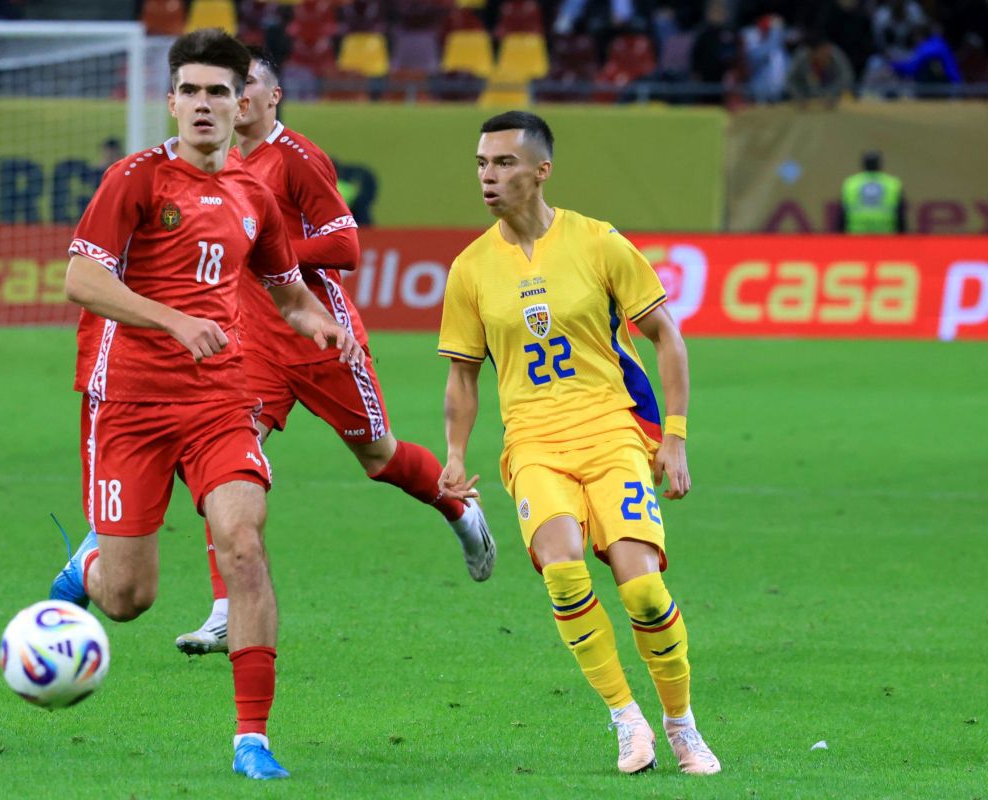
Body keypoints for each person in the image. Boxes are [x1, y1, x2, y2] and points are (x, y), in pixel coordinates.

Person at [48, 28, 363, 781]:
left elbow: (287, 290)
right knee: (129, 599)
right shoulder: (135, 178)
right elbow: (81, 280)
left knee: (243, 543)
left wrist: (318, 323)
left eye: (217, 91)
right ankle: (91, 564)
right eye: (188, 90)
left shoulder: (256, 193)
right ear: (170, 101)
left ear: (239, 102)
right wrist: (174, 321)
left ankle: (252, 739)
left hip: (220, 397)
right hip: (129, 403)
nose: (202, 103)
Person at [174, 46, 495, 657]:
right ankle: (225, 610)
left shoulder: (297, 158)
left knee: (380, 457)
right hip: (253, 346)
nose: (237, 95)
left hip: (321, 338)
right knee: (220, 463)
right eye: (230, 86)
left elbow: (345, 244)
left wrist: (270, 250)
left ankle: (458, 508)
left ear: (274, 97)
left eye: (249, 84)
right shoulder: (219, 163)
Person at [437, 111, 721, 776]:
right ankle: (626, 719)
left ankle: (681, 724)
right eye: (481, 163)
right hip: (533, 443)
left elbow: (667, 336)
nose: (487, 176)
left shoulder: (599, 242)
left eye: (503, 163)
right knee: (563, 574)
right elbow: (462, 376)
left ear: (541, 171)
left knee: (643, 590)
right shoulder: (470, 268)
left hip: (612, 432)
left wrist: (675, 437)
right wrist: (454, 454)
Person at [838, 151, 906, 234]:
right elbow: (900, 214)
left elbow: (841, 214)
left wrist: (840, 236)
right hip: (886, 234)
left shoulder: (851, 184)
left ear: (863, 164)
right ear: (879, 164)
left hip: (857, 234)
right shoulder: (892, 184)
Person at [786, 33, 855, 107]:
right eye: (822, 52)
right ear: (812, 52)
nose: (826, 53)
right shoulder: (802, 57)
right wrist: (799, 97)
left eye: (827, 50)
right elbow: (790, 80)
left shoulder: (835, 55)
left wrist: (831, 94)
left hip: (832, 98)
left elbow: (847, 77)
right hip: (807, 99)